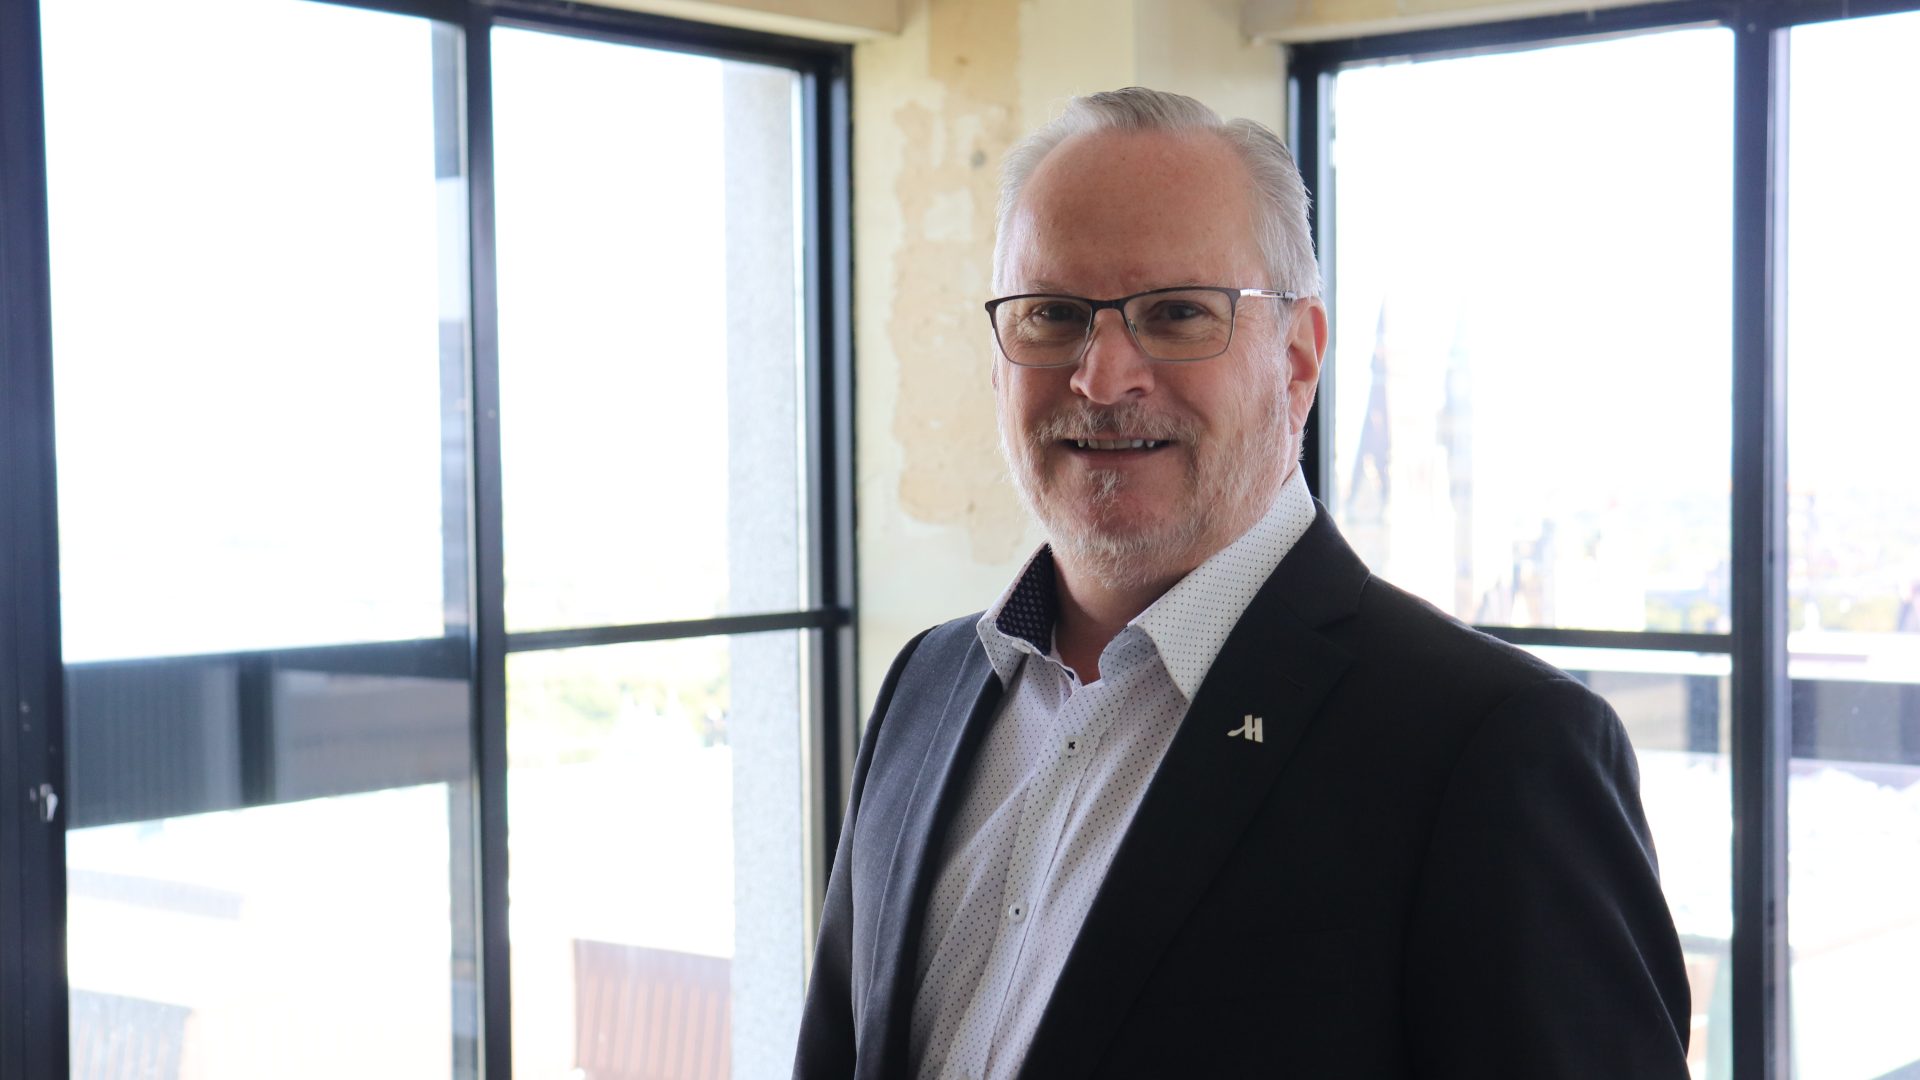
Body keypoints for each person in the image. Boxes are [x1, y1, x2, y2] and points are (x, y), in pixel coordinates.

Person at [793, 87, 1690, 1079]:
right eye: (1052, 314)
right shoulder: (928, 683)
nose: (1102, 377)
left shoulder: (1489, 749)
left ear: (1297, 358)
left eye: (1177, 314)